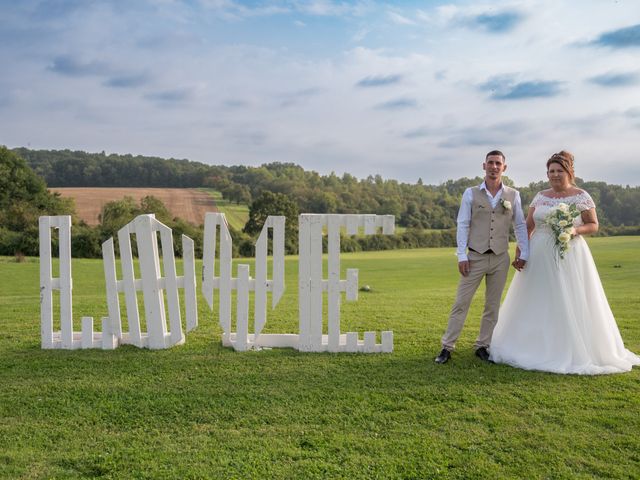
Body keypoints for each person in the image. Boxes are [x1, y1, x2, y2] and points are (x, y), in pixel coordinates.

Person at [490, 151, 640, 374]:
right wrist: (521, 251)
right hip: (539, 255)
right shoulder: (540, 197)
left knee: (569, 298)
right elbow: (528, 226)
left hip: (570, 254)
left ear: (569, 172)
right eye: (551, 171)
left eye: (559, 171)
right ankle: (532, 345)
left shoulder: (581, 196)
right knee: (537, 298)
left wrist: (573, 231)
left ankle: (569, 348)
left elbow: (593, 225)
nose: (555, 175)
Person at [435, 150, 529, 364]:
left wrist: (524, 252)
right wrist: (461, 255)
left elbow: (520, 225)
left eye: (498, 163)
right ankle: (447, 347)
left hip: (499, 258)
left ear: (504, 167)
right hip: (474, 257)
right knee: (461, 303)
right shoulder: (470, 193)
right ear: (483, 166)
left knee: (492, 305)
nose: (494, 167)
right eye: (490, 163)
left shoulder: (513, 195)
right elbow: (463, 224)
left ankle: (482, 346)